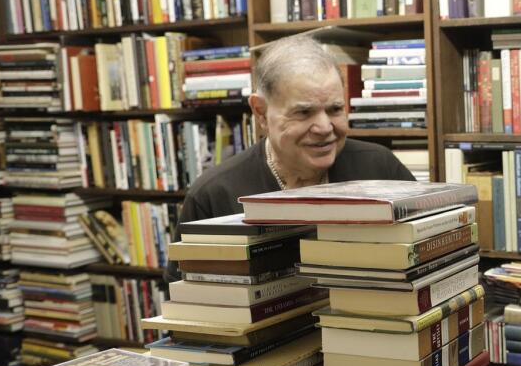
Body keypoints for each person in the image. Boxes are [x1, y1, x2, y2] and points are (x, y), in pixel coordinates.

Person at [169, 35, 416, 280]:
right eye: (304, 112)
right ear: (261, 113)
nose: (324, 127)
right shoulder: (212, 196)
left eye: (335, 109)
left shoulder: (381, 169)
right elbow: (183, 297)